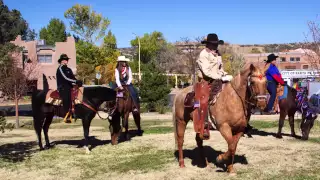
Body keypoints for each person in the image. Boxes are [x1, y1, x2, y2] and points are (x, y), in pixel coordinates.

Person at [195, 33, 232, 139]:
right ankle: (205, 123)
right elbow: (206, 71)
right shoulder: (203, 54)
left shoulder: (218, 54)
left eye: (216, 44)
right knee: (204, 100)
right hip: (206, 81)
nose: (215, 46)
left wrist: (225, 74)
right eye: (213, 44)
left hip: (217, 79)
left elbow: (220, 68)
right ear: (208, 44)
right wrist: (219, 77)